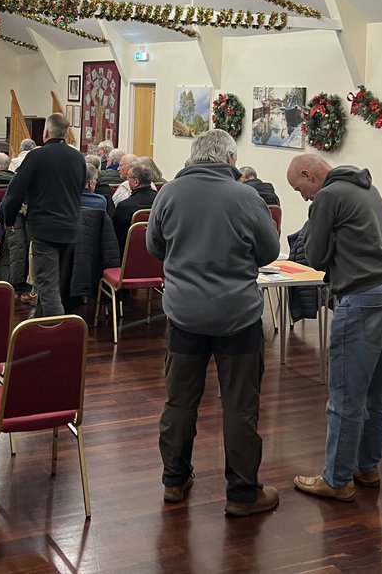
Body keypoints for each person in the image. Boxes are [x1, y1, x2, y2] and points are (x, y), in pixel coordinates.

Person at [147, 129, 281, 517]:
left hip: (184, 314)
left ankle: (175, 480)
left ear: (194, 156)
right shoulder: (247, 196)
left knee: (180, 401)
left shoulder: (168, 193)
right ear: (230, 159)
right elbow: (269, 251)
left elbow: (155, 247)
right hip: (237, 316)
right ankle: (242, 493)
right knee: (240, 406)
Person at [286, 153, 382, 502]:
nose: (304, 197)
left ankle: (336, 479)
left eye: (300, 188)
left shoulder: (328, 196)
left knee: (346, 394)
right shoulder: (366, 187)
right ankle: (367, 467)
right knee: (378, 391)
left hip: (362, 297)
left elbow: (317, 257)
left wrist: (332, 240)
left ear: (310, 175)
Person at [0, 113, 86, 318]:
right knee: (54, 281)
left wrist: (8, 218)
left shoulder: (37, 156)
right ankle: (39, 322)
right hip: (72, 227)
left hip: (46, 229)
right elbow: (80, 189)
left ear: (46, 132)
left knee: (47, 284)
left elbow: (15, 191)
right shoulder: (78, 157)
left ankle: (56, 335)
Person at [111, 159, 158, 251]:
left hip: (128, 252)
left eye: (129, 178)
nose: (127, 180)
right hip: (156, 250)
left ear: (136, 181)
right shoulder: (161, 200)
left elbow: (114, 232)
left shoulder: (125, 206)